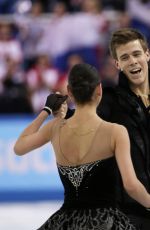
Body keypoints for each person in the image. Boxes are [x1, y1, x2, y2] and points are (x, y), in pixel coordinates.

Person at [14, 63, 150, 230]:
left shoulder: (55, 127)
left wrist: (46, 110)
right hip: (106, 222)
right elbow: (131, 186)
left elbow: (19, 147)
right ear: (99, 89)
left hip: (66, 222)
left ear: (69, 92)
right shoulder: (116, 132)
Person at [62, 28, 150, 229]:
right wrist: (64, 114)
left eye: (137, 54)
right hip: (131, 215)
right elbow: (83, 121)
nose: (133, 61)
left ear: (147, 54)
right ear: (118, 64)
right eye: (125, 57)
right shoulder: (111, 102)